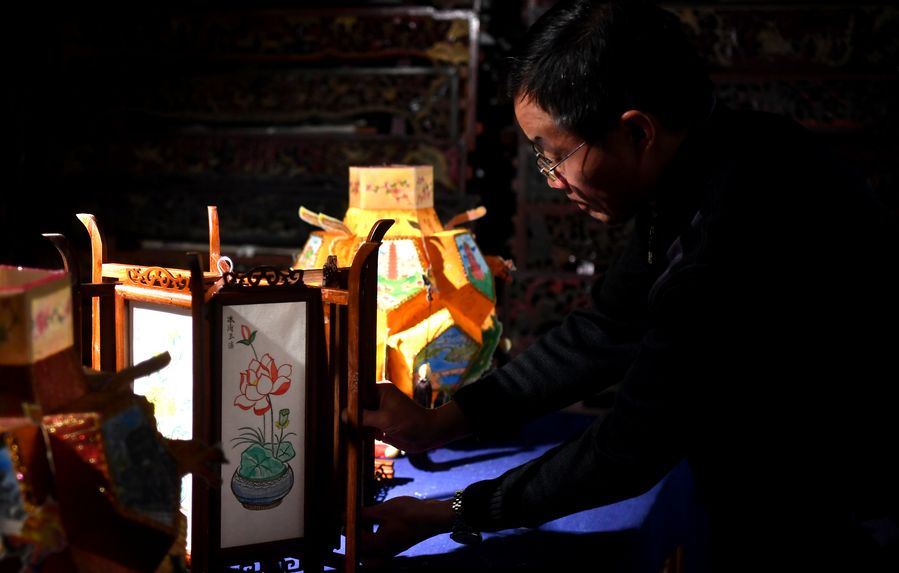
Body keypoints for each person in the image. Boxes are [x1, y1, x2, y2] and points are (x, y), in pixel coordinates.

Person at [359, 1, 899, 570]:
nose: (554, 180)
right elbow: (605, 330)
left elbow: (627, 448)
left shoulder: (733, 236)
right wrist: (438, 424)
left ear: (637, 131)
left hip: (840, 512)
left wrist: (453, 511)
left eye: (555, 156)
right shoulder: (719, 153)